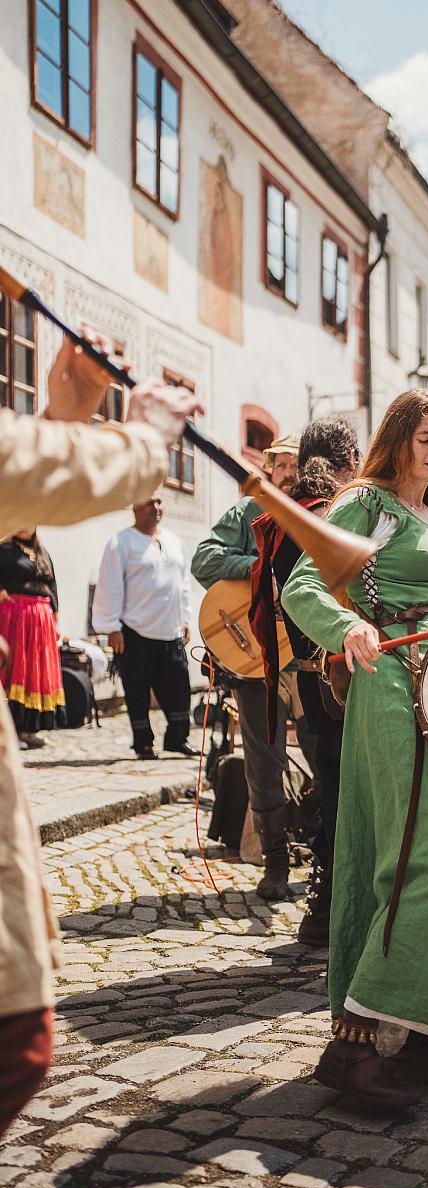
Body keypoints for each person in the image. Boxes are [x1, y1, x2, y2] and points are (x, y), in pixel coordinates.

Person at [281, 389, 428, 1108]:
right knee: (426, 849)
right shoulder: (366, 505)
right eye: (426, 437)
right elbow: (302, 585)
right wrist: (346, 627)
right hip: (393, 680)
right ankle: (353, 1043)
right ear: (398, 439)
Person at [0, 329, 201, 1136]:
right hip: (121, 630)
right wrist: (142, 439)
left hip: (146, 627)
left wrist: (63, 418)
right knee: (15, 1041)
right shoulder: (121, 539)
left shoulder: (167, 541)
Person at [192, 426, 359, 901]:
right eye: (280, 465)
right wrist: (257, 570)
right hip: (254, 653)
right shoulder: (250, 511)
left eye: (293, 464)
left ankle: (324, 854)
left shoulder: (332, 509)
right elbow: (205, 559)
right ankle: (276, 863)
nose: (287, 473)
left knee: (323, 753)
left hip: (306, 659)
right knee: (262, 759)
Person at [248, 420, 359, 945]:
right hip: (349, 673)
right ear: (351, 463)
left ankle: (323, 906)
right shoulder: (337, 515)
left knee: (331, 781)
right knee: (347, 790)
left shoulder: (286, 516)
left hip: (312, 676)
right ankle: (338, 905)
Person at [92, 494, 195, 759]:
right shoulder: (121, 542)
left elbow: (182, 583)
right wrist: (112, 627)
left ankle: (177, 738)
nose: (156, 508)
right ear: (135, 506)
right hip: (134, 630)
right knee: (137, 690)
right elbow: (109, 586)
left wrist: (184, 617)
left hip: (170, 629)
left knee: (178, 687)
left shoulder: (174, 541)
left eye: (159, 502)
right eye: (150, 502)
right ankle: (143, 744)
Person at [0, 529, 65, 748]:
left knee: (34, 673)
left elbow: (52, 585)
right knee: (15, 670)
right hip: (16, 618)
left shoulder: (42, 552)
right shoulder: (5, 550)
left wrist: (55, 615)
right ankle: (11, 731)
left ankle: (28, 729)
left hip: (41, 621)